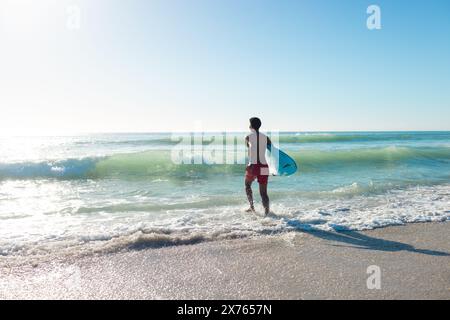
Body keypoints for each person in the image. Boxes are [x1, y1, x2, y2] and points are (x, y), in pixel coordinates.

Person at [245, 117, 271, 215]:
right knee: (264, 193)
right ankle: (267, 213)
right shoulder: (266, 138)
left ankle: (252, 207)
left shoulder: (248, 137)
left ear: (250, 126)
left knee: (247, 185)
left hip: (253, 166)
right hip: (264, 166)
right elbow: (271, 151)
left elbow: (249, 149)